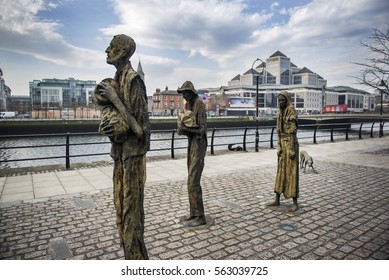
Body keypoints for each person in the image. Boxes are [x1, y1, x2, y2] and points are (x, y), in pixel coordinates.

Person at [96, 34, 150, 259]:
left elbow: (140, 131)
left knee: (131, 216)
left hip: (133, 157)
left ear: (123, 52)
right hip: (119, 155)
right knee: (120, 211)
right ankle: (130, 257)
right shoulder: (115, 79)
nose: (107, 50)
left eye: (112, 47)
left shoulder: (133, 79)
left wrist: (115, 99)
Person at [177, 81, 207, 227]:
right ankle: (193, 213)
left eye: (185, 92)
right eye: (182, 93)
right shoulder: (188, 104)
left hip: (199, 144)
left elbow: (201, 129)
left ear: (191, 92)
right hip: (192, 144)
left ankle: (201, 217)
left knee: (193, 181)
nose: (183, 95)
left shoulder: (199, 104)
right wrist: (183, 130)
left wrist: (187, 130)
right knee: (190, 180)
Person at [268, 91, 299, 212]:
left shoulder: (291, 110)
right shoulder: (280, 111)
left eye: (283, 100)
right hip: (283, 144)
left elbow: (292, 131)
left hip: (291, 144)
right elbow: (278, 132)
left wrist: (291, 148)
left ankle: (295, 202)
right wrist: (279, 146)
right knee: (280, 171)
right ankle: (277, 198)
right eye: (279, 100)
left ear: (287, 100)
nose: (281, 102)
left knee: (292, 172)